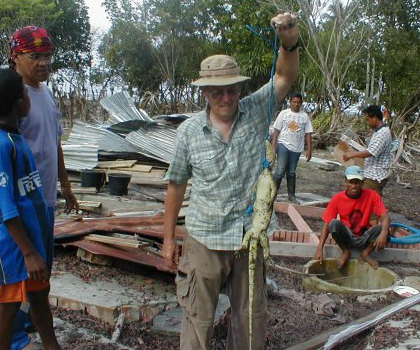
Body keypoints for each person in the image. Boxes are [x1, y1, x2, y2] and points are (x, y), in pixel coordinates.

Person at [163, 12, 299, 350]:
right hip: (205, 239)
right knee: (198, 318)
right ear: (205, 92)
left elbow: (285, 74)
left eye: (232, 90)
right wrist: (168, 239)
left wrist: (289, 39)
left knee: (250, 319)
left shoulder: (256, 111)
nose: (226, 98)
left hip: (249, 241)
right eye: (217, 92)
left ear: (240, 88)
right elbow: (176, 185)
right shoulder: (189, 132)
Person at [9, 25, 78, 349]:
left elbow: (55, 141)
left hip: (45, 200)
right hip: (18, 204)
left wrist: (65, 184)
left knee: (41, 272)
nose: (43, 63)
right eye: (35, 56)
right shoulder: (11, 97)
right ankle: (17, 332)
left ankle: (30, 324)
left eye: (48, 56)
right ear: (16, 56)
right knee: (19, 271)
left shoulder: (46, 94)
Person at [0, 68, 61, 350]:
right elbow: (5, 206)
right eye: (25, 93)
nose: (30, 96)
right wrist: (28, 252)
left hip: (32, 238)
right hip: (14, 248)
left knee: (39, 295)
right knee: (9, 305)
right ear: (18, 102)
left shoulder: (17, 138)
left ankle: (52, 346)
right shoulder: (2, 146)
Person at [313, 166, 390, 270]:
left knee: (385, 229)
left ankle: (365, 254)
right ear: (345, 181)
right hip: (347, 238)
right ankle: (345, 251)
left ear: (362, 183)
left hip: (364, 237)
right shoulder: (337, 199)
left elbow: (385, 216)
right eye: (351, 182)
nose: (354, 186)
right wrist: (319, 248)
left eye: (357, 182)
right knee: (334, 223)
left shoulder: (372, 195)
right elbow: (327, 223)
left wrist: (384, 233)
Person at [271, 92, 313, 203]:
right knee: (280, 171)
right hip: (283, 145)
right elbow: (276, 130)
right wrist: (274, 145)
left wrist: (309, 150)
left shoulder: (304, 116)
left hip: (297, 149)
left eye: (298, 103)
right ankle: (272, 194)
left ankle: (291, 195)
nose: (296, 104)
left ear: (301, 104)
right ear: (290, 102)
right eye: (294, 102)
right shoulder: (284, 114)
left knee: (291, 172)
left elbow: (308, 133)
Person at [343, 105, 392, 196]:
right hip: (372, 174)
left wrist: (351, 154)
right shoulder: (380, 129)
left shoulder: (382, 133)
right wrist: (385, 118)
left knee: (370, 202)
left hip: (375, 176)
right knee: (367, 201)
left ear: (375, 118)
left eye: (368, 119)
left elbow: (371, 152)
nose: (368, 122)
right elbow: (383, 122)